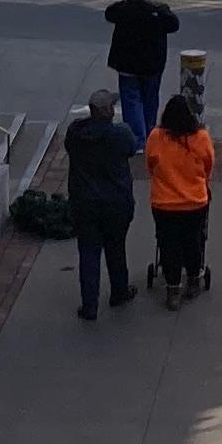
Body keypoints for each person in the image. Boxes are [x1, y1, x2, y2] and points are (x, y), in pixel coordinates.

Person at [63, 84, 140, 320]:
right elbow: (132, 147)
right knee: (116, 248)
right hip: (116, 203)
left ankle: (89, 306)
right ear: (106, 110)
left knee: (88, 252)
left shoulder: (76, 134)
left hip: (85, 203)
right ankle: (119, 292)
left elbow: (69, 144)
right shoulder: (120, 135)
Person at [148, 93, 216, 309]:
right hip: (194, 202)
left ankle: (173, 288)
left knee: (168, 244)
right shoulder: (201, 138)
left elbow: (150, 165)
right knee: (193, 241)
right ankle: (193, 279)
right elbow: (208, 165)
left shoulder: (156, 137)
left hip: (164, 203)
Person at [107, 0, 179, 144]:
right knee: (150, 100)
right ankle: (150, 135)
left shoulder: (123, 9)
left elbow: (109, 13)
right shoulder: (159, 10)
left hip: (127, 65)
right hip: (152, 65)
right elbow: (174, 24)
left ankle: (136, 139)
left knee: (131, 101)